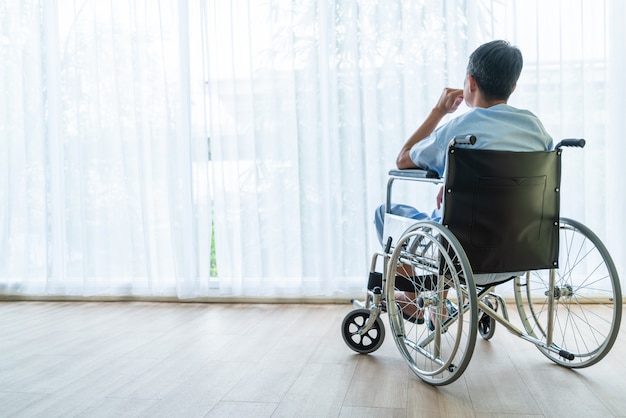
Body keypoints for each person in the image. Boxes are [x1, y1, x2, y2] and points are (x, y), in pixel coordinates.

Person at [377, 40, 553, 325]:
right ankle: (439, 302)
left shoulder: (461, 127)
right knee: (449, 216)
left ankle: (415, 299)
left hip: (462, 252)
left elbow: (404, 159)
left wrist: (438, 111)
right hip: (521, 250)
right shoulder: (536, 129)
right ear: (513, 88)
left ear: (470, 82)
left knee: (388, 213)